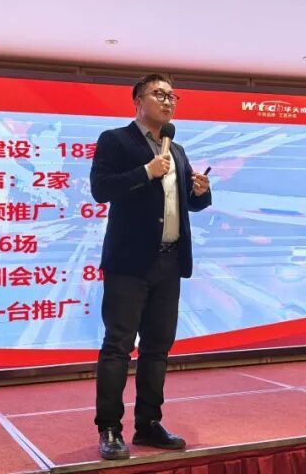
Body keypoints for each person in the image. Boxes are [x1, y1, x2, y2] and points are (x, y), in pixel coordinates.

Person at [89, 73, 212, 460]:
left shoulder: (177, 149)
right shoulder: (116, 140)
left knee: (158, 348)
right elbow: (100, 189)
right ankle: (110, 428)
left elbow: (184, 204)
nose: (168, 101)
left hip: (168, 262)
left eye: (173, 96)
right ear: (138, 101)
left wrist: (200, 192)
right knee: (118, 346)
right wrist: (145, 171)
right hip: (129, 263)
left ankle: (148, 423)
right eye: (159, 94)